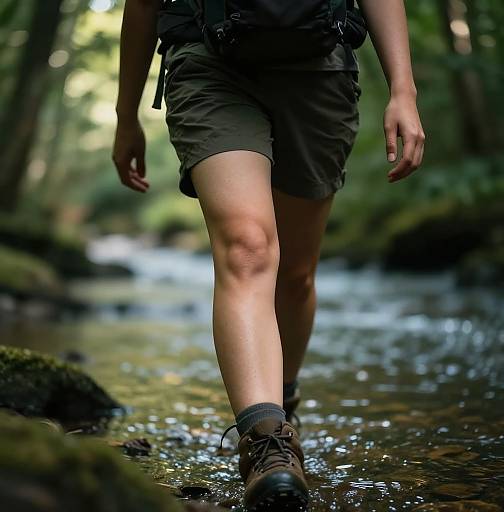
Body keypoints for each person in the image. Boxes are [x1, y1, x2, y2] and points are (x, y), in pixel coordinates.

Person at [112, 0, 426, 509]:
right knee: (248, 247)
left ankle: (283, 402)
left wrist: (403, 90)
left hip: (318, 66)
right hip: (206, 60)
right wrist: (127, 115)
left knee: (295, 274)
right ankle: (266, 443)